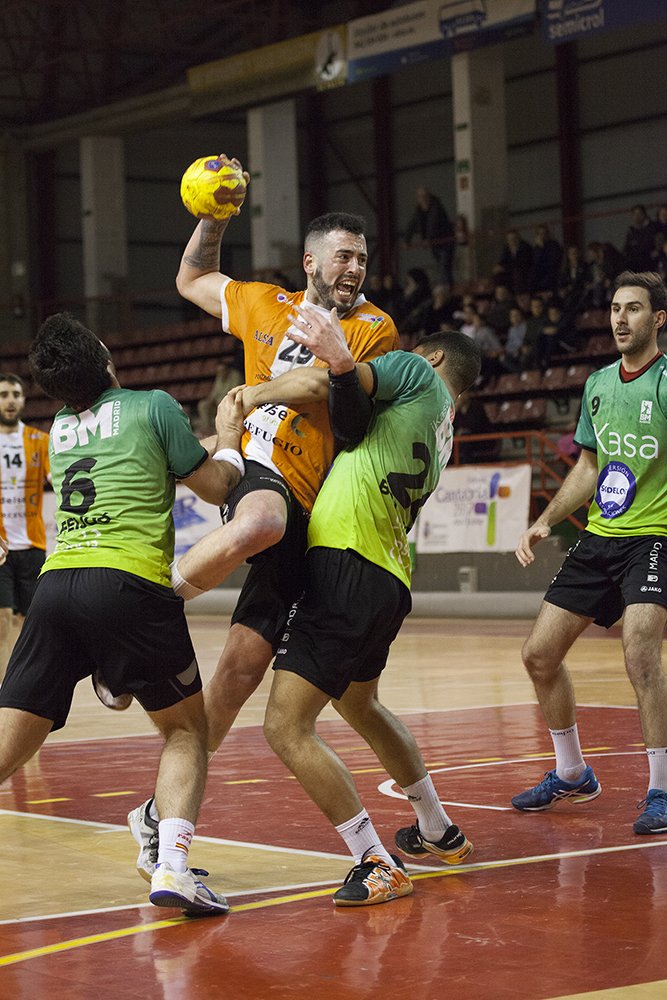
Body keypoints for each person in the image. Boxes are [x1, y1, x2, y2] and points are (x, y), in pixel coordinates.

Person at [126, 156, 401, 881]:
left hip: (313, 506)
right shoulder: (263, 303)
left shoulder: (373, 327)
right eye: (343, 256)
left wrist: (252, 391)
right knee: (257, 525)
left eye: (362, 259)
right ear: (310, 260)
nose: (354, 268)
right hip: (259, 473)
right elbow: (190, 279)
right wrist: (212, 218)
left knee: (237, 675)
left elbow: (322, 384)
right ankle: (142, 609)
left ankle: (159, 818)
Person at [0, 312, 246, 916]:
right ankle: (173, 868)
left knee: (7, 747)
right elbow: (214, 486)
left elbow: (139, 455)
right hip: (129, 584)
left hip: (58, 585)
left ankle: (112, 675)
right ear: (105, 356)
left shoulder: (58, 426)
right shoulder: (154, 405)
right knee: (187, 731)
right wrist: (233, 438)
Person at [245, 312, 481, 905]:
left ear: (430, 359)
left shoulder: (412, 372)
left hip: (348, 560)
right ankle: (437, 828)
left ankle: (374, 860)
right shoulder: (444, 428)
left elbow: (338, 382)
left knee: (285, 725)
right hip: (390, 575)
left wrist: (259, 390)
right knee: (360, 701)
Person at [511, 271, 667, 835]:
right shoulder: (599, 384)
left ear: (658, 320)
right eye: (615, 308)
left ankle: (661, 789)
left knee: (640, 652)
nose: (620, 318)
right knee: (538, 656)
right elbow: (588, 467)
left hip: (656, 536)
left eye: (633, 309)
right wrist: (543, 521)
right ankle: (573, 773)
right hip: (600, 536)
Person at [0, 374, 50, 682]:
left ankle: (24, 681)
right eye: (4, 394)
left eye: (16, 394)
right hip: (1, 548)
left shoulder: (39, 441)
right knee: (3, 619)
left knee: (25, 620)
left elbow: (60, 482)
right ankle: (6, 689)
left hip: (33, 545)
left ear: (23, 399)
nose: (10, 400)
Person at [404, 186, 455, 287]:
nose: (422, 199)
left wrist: (428, 239)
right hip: (435, 243)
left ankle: (446, 286)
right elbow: (413, 224)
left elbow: (433, 223)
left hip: (445, 240)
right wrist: (407, 240)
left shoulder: (436, 207)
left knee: (444, 264)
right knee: (442, 264)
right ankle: (447, 285)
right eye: (420, 197)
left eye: (424, 196)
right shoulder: (419, 210)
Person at [195, 359, 243, 436]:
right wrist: (209, 400)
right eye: (219, 371)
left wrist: (222, 400)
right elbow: (214, 392)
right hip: (217, 402)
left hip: (231, 401)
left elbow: (234, 391)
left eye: (222, 370)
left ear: (227, 370)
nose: (221, 373)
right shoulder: (219, 377)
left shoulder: (235, 376)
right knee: (203, 405)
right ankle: (207, 428)